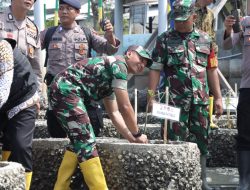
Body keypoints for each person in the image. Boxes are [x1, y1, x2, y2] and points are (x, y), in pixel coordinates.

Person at [49, 45, 151, 189]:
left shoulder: (111, 76)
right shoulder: (119, 65)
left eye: (145, 64)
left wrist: (130, 137)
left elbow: (114, 113)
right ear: (129, 54)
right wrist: (137, 133)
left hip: (64, 90)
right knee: (87, 142)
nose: (142, 65)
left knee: (79, 141)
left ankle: (60, 188)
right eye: (141, 59)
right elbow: (126, 107)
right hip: (66, 90)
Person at [147, 0, 223, 189]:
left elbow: (212, 69)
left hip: (200, 101)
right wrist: (151, 95)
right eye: (176, 20)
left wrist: (219, 97)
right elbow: (155, 69)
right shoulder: (164, 39)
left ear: (194, 17)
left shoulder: (206, 40)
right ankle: (174, 180)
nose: (179, 24)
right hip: (174, 102)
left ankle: (202, 179)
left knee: (202, 140)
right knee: (172, 140)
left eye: (183, 20)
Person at [40, 0, 120, 139]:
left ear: (77, 12)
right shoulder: (49, 33)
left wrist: (109, 35)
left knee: (88, 129)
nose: (64, 12)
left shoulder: (86, 33)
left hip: (82, 91)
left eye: (68, 9)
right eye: (61, 8)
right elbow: (30, 47)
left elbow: (108, 48)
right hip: (57, 92)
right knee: (57, 133)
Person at [0, 31, 39, 190]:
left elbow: (3, 88)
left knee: (21, 145)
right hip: (3, 104)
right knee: (8, 142)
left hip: (22, 100)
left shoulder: (3, 48)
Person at [223, 11, 250, 189]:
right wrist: (228, 28)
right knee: (245, 134)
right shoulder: (245, 22)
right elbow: (227, 45)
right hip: (247, 87)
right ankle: (244, 182)